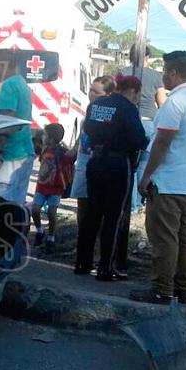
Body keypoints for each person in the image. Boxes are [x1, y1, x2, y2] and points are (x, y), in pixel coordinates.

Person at [132, 51, 186, 305]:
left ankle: (161, 289)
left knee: (165, 239)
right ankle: (184, 290)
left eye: (166, 72)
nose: (163, 77)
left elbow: (162, 143)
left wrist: (146, 177)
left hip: (169, 182)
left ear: (174, 73)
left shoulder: (175, 102)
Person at [74, 75, 147, 281]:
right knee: (114, 217)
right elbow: (139, 139)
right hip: (118, 163)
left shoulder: (97, 104)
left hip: (95, 161)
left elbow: (88, 129)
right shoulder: (128, 108)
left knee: (92, 214)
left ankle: (82, 262)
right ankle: (106, 267)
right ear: (133, 91)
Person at [119, 44, 166, 212]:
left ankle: (130, 204)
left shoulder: (122, 72)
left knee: (129, 165)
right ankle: (139, 202)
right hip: (149, 121)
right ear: (147, 57)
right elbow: (162, 102)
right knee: (144, 164)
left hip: (126, 120)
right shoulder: (155, 76)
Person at [0, 52, 35, 206]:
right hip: (23, 152)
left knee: (0, 206)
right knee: (16, 207)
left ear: (3, 65)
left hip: (8, 157)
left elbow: (6, 121)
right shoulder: (21, 83)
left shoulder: (8, 85)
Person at [70, 75, 114, 232]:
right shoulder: (88, 111)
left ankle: (96, 245)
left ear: (107, 95)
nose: (91, 94)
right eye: (90, 90)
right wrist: (73, 151)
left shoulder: (108, 115)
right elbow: (83, 136)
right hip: (82, 163)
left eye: (96, 92)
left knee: (97, 207)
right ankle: (82, 239)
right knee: (81, 205)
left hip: (98, 166)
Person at [31, 123, 74, 253]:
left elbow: (71, 158)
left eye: (45, 135)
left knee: (51, 212)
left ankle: (51, 236)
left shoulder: (61, 152)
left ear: (52, 138)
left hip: (55, 187)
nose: (43, 137)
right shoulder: (44, 149)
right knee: (35, 209)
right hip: (42, 186)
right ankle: (40, 230)